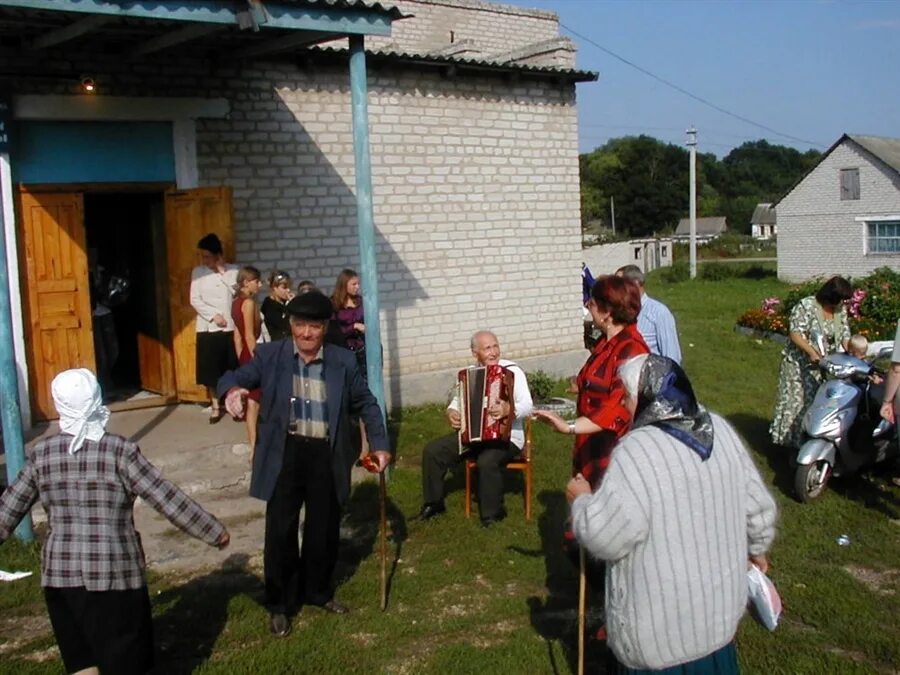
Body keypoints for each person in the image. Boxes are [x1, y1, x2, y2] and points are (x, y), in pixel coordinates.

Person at [0, 369, 230, 675]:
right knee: (126, 664)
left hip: (61, 577)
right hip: (114, 575)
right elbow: (165, 497)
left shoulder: (41, 454)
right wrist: (213, 532)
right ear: (96, 399)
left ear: (59, 404)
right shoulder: (120, 451)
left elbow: (8, 510)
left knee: (82, 663)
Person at [567, 354, 778, 673]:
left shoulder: (636, 452)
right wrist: (758, 548)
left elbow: (605, 538)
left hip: (659, 638)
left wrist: (581, 501)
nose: (623, 406)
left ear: (648, 396)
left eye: (626, 395)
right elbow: (759, 507)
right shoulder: (718, 429)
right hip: (716, 622)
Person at [217, 290, 391, 638]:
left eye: (314, 326)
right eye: (300, 325)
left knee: (323, 528)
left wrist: (381, 445)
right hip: (285, 453)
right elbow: (232, 377)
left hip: (326, 454)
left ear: (325, 327)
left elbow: (367, 404)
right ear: (291, 326)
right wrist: (232, 393)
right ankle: (280, 603)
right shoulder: (270, 355)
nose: (306, 334)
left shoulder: (341, 361)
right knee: (280, 530)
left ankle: (318, 591)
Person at [534, 275, 649, 487]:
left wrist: (567, 426)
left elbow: (616, 410)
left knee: (604, 513)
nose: (588, 307)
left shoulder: (631, 349)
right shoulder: (606, 343)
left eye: (592, 303)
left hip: (613, 450)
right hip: (590, 444)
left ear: (606, 312)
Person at [416, 331, 533, 527]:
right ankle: (434, 503)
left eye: (495, 346)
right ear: (475, 353)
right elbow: (456, 402)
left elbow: (528, 406)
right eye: (487, 348)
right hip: (474, 436)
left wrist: (508, 410)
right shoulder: (470, 375)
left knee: (487, 461)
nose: (494, 352)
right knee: (433, 451)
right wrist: (452, 412)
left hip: (507, 437)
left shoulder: (512, 371)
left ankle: (492, 514)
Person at [770, 275, 852, 449]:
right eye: (838, 300)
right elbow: (795, 334)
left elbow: (844, 334)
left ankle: (813, 441)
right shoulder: (806, 306)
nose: (840, 304)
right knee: (799, 403)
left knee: (819, 404)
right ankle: (793, 443)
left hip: (826, 365)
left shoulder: (839, 309)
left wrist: (851, 352)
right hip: (800, 365)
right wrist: (811, 352)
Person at [189, 233, 239, 424]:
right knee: (211, 370)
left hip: (229, 327)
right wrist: (212, 315)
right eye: (203, 257)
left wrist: (221, 271)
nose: (205, 260)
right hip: (208, 327)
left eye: (208, 256)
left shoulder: (233, 271)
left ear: (218, 255)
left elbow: (236, 291)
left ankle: (233, 403)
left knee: (231, 367)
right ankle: (215, 406)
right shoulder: (198, 273)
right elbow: (194, 299)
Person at [615, 264, 682, 364]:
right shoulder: (620, 313)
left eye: (619, 285)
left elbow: (672, 358)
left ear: (635, 284)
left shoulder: (659, 312)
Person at [232, 266, 264, 453]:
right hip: (252, 354)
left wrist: (242, 360)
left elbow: (236, 337)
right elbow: (250, 335)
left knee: (252, 401)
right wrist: (256, 360)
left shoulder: (235, 303)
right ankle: (255, 445)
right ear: (246, 282)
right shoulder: (248, 303)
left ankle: (253, 442)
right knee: (254, 402)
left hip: (244, 354)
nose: (259, 285)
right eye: (256, 281)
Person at [331, 268, 367, 374]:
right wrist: (354, 327)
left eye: (358, 284)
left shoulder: (360, 301)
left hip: (362, 349)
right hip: (344, 350)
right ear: (344, 285)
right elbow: (334, 331)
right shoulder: (334, 304)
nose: (357, 287)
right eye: (354, 284)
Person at [261, 270, 294, 342]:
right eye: (284, 287)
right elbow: (283, 326)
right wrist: (290, 306)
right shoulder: (269, 306)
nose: (288, 290)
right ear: (274, 288)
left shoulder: (284, 303)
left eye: (289, 287)